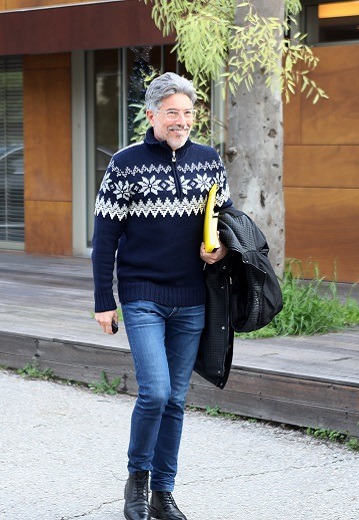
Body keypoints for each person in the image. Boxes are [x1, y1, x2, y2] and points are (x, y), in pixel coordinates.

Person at [92, 72, 232, 520]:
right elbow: (105, 237)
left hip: (192, 297)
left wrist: (219, 250)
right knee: (155, 392)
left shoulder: (209, 160)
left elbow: (226, 223)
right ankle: (137, 481)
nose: (182, 121)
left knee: (175, 400)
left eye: (188, 112)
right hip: (143, 295)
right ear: (151, 114)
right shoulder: (125, 163)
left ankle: (162, 493)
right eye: (172, 112)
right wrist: (103, 300)